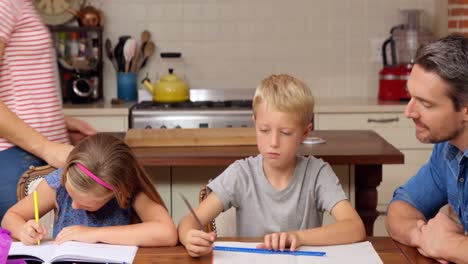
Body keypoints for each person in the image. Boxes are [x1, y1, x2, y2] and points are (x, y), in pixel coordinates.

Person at [178, 74, 366, 257]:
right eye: (264, 130)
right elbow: (187, 223)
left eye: (285, 132)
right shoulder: (241, 173)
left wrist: (298, 237)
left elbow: (355, 228)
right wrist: (189, 238)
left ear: (305, 132)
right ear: (255, 123)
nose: (273, 142)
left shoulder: (317, 173)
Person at [0, 0, 96, 220]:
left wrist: (56, 121)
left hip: (29, 155)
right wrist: (46, 146)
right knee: (25, 250)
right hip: (15, 158)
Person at [1, 133, 178, 246]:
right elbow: (11, 217)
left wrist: (95, 234)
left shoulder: (130, 189)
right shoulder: (58, 184)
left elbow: (167, 233)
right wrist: (22, 230)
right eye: (72, 195)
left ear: (117, 192)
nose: (75, 206)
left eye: (87, 205)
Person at [386, 34, 468, 264]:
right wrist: (422, 236)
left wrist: (450, 244)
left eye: (426, 103)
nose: (409, 112)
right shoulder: (447, 150)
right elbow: (401, 207)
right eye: (411, 96)